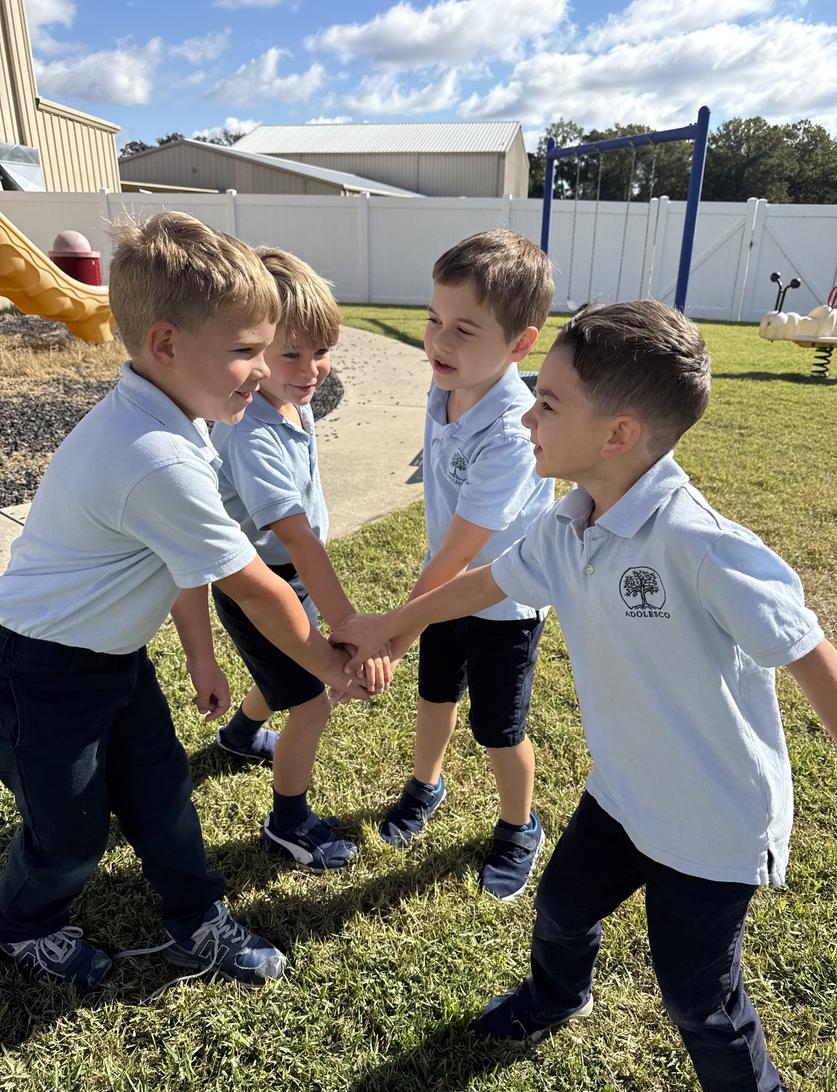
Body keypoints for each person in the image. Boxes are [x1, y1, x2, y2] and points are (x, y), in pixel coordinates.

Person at [333, 300, 837, 1092]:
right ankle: (558, 996)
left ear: (619, 436)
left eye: (549, 404)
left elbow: (810, 655)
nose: (527, 415)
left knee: (696, 993)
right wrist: (389, 625)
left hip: (714, 823)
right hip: (622, 793)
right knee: (562, 909)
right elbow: (488, 583)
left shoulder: (701, 544)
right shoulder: (567, 524)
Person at [0, 212, 372, 991]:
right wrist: (333, 664)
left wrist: (201, 653)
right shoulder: (156, 456)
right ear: (166, 344)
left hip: (112, 659)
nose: (261, 369)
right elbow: (259, 587)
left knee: (164, 795)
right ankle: (24, 923)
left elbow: (184, 562)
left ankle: (195, 919)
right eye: (245, 352)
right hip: (37, 668)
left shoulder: (174, 415)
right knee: (68, 839)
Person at [374, 228, 556, 902]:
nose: (439, 343)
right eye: (432, 320)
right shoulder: (446, 386)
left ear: (518, 345)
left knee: (499, 730)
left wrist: (394, 629)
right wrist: (411, 625)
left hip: (503, 602)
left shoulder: (512, 428)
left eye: (464, 330)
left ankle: (519, 824)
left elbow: (459, 551)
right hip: (446, 591)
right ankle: (427, 783)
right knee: (434, 697)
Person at [211, 247, 389, 871]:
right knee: (312, 701)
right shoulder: (250, 432)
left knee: (287, 678)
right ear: (253, 347)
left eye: (321, 350)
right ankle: (288, 822)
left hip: (287, 580)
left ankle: (236, 738)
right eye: (292, 353)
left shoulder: (293, 401)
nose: (313, 369)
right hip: (257, 587)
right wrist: (347, 624)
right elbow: (298, 542)